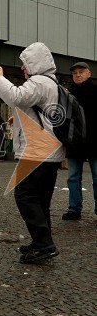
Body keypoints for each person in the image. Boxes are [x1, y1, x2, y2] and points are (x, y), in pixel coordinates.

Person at [0, 42, 64, 264]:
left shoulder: (39, 82)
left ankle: (44, 244)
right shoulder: (53, 83)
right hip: (49, 152)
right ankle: (42, 243)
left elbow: (15, 97)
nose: (23, 68)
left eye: (25, 63)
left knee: (24, 195)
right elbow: (41, 113)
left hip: (38, 151)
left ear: (35, 62)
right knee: (41, 201)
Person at [62, 62, 97, 220]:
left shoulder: (96, 92)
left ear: (89, 74)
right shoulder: (68, 95)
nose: (78, 74)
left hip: (95, 141)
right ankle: (74, 209)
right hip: (74, 141)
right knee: (72, 177)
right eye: (75, 72)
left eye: (81, 71)